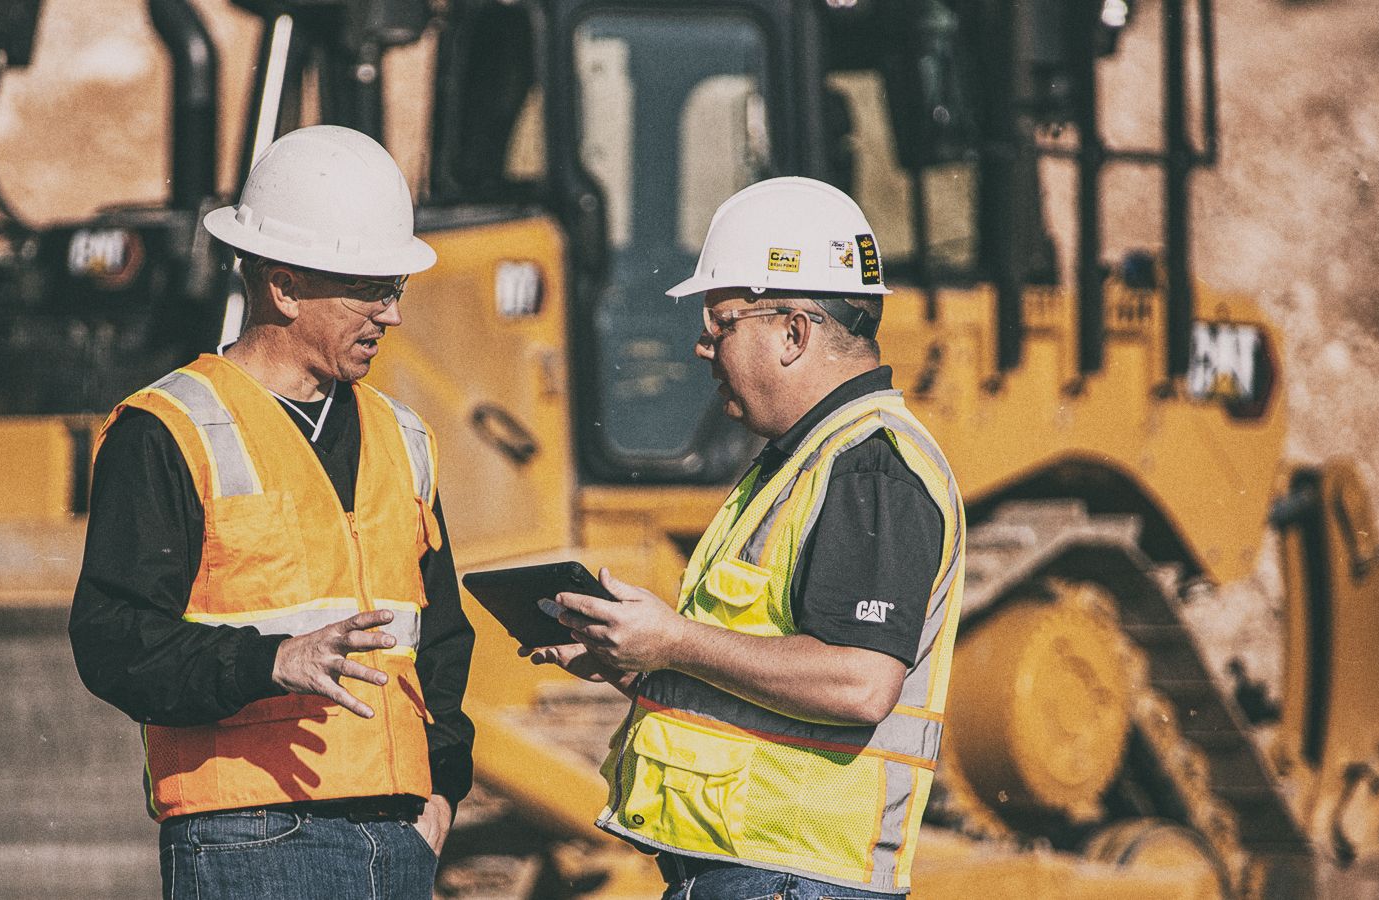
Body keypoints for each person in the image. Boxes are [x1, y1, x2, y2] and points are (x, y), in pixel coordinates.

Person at [69, 125, 473, 900]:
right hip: (249, 836)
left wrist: (442, 791)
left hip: (399, 835)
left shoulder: (404, 437)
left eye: (396, 289)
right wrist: (270, 663)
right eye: (369, 289)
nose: (389, 314)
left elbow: (442, 636)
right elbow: (113, 640)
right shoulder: (168, 429)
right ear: (283, 288)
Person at [532, 177, 966, 899]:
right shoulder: (797, 463)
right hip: (756, 871)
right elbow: (753, 679)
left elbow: (859, 682)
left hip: (792, 874)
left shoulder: (870, 467)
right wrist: (635, 659)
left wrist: (674, 641)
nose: (703, 348)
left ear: (793, 332)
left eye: (721, 322)